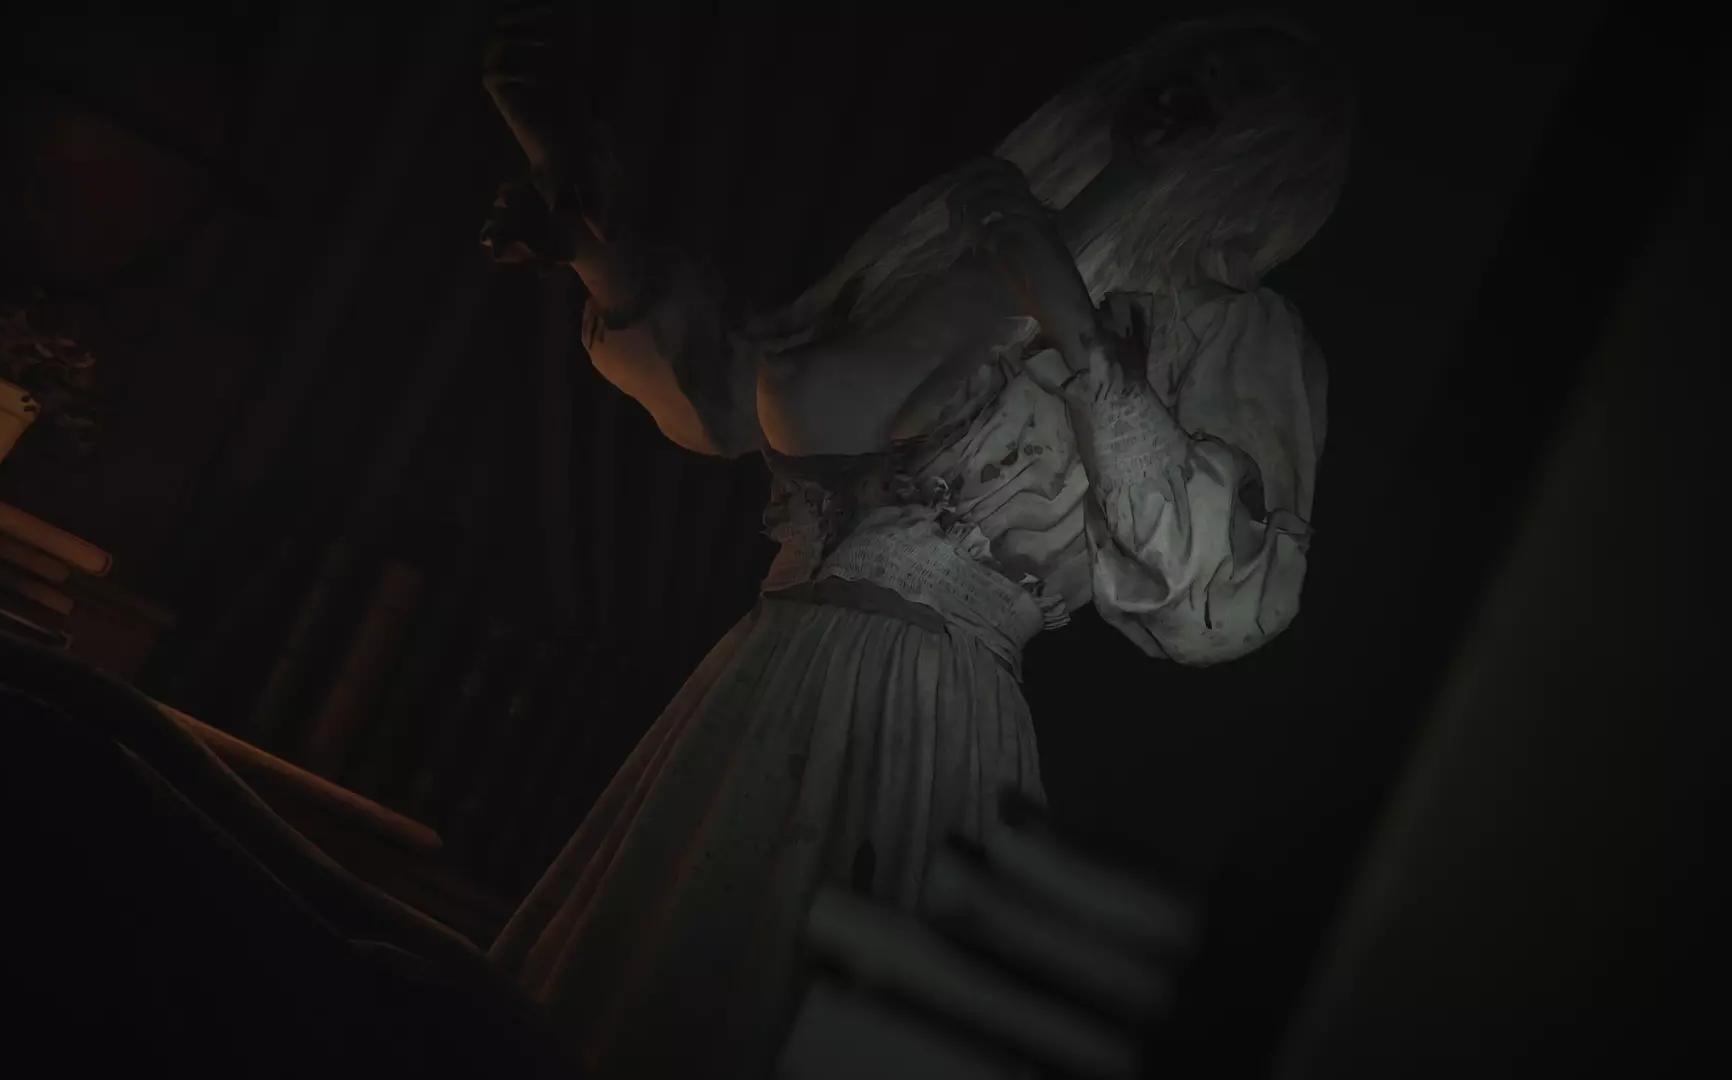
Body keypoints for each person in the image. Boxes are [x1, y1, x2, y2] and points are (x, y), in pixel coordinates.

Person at [483, 14, 1352, 1077]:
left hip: (923, 702)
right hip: (767, 677)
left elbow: (1219, 596)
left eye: (1243, 83)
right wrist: (596, 238)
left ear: (1277, 142)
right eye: (1199, 63)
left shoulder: (1235, 336)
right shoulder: (974, 234)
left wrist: (1077, 325)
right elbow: (758, 395)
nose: (1203, 90)